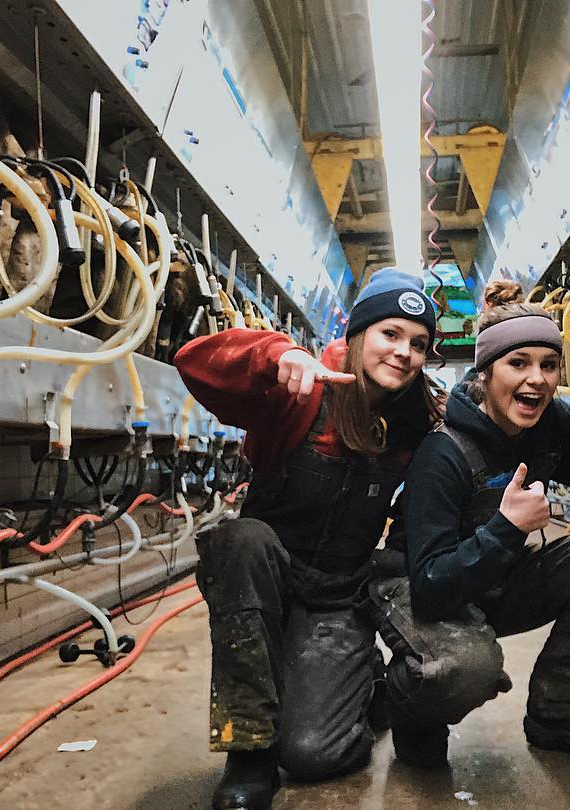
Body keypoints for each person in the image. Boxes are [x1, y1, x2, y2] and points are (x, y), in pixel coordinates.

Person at [174, 268, 443, 809]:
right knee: (240, 540)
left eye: (418, 344)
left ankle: (365, 682)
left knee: (313, 754)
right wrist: (273, 355)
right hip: (266, 581)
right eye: (390, 334)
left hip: (338, 599)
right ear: (360, 333)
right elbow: (196, 364)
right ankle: (248, 755)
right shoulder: (301, 391)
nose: (404, 353)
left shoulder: (416, 421)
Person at [375, 301, 570, 770]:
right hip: (418, 587)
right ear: (486, 373)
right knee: (469, 668)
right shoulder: (443, 449)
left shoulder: (553, 424)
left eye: (549, 365)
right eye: (518, 363)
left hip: (494, 576)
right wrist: (506, 528)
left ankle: (563, 712)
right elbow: (430, 587)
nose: (537, 379)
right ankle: (411, 708)